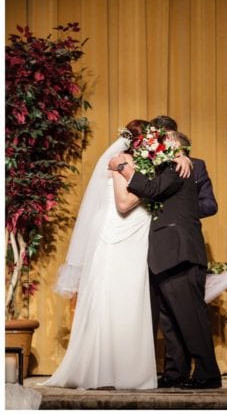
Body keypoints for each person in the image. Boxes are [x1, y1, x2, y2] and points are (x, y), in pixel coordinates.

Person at [43, 121, 187, 390]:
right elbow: (123, 204)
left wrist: (178, 156)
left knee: (132, 301)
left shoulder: (139, 163)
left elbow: (172, 161)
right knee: (113, 298)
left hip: (135, 237)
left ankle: (129, 371)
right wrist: (152, 191)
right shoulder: (121, 161)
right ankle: (105, 370)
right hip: (119, 235)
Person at [105, 126, 219, 389]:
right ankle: (175, 372)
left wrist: (121, 167)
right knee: (171, 318)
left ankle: (207, 373)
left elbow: (152, 189)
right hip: (165, 254)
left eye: (167, 140)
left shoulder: (180, 167)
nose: (161, 144)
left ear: (177, 147)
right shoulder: (167, 166)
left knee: (190, 316)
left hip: (179, 251)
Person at [149, 115, 217, 219]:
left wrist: (180, 208)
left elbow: (209, 205)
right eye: (159, 139)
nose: (164, 144)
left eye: (169, 138)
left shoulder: (196, 165)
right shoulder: (145, 163)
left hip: (182, 228)